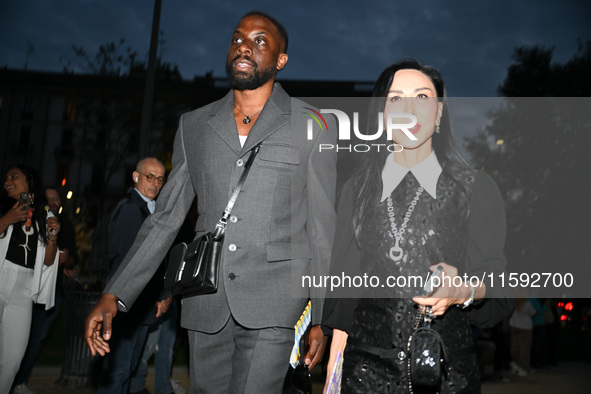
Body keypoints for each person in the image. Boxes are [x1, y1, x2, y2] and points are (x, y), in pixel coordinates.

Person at [86, 10, 337, 393]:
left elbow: (321, 226)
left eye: (259, 41)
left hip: (275, 301)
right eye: (238, 38)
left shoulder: (312, 123)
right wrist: (114, 293)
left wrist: (321, 315)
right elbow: (165, 218)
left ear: (280, 60)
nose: (244, 46)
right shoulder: (195, 125)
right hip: (204, 301)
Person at [322, 59, 514, 392]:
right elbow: (344, 296)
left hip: (444, 372)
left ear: (439, 114)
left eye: (422, 97)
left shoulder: (476, 189)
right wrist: (334, 374)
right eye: (396, 98)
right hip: (364, 372)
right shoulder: (357, 189)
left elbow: (499, 287)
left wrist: (463, 290)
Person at [97, 157, 173, 394]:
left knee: (127, 369)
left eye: (160, 179)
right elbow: (136, 261)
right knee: (119, 371)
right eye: (150, 177)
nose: (155, 183)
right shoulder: (130, 209)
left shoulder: (152, 210)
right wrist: (162, 293)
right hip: (125, 302)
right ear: (136, 176)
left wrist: (164, 293)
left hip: (138, 304)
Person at [12, 186, 79, 394]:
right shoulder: (31, 222)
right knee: (15, 337)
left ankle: (20, 381)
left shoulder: (65, 226)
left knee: (36, 339)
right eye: (48, 198)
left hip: (51, 293)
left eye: (56, 199)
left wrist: (68, 260)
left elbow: (73, 260)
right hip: (26, 289)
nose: (53, 202)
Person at [0, 163, 60, 392]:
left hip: (24, 290)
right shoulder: (3, 208)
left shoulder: (43, 216)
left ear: (30, 183)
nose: (7, 182)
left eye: (13, 177)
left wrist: (53, 236)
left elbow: (47, 261)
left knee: (13, 361)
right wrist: (8, 218)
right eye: (6, 179)